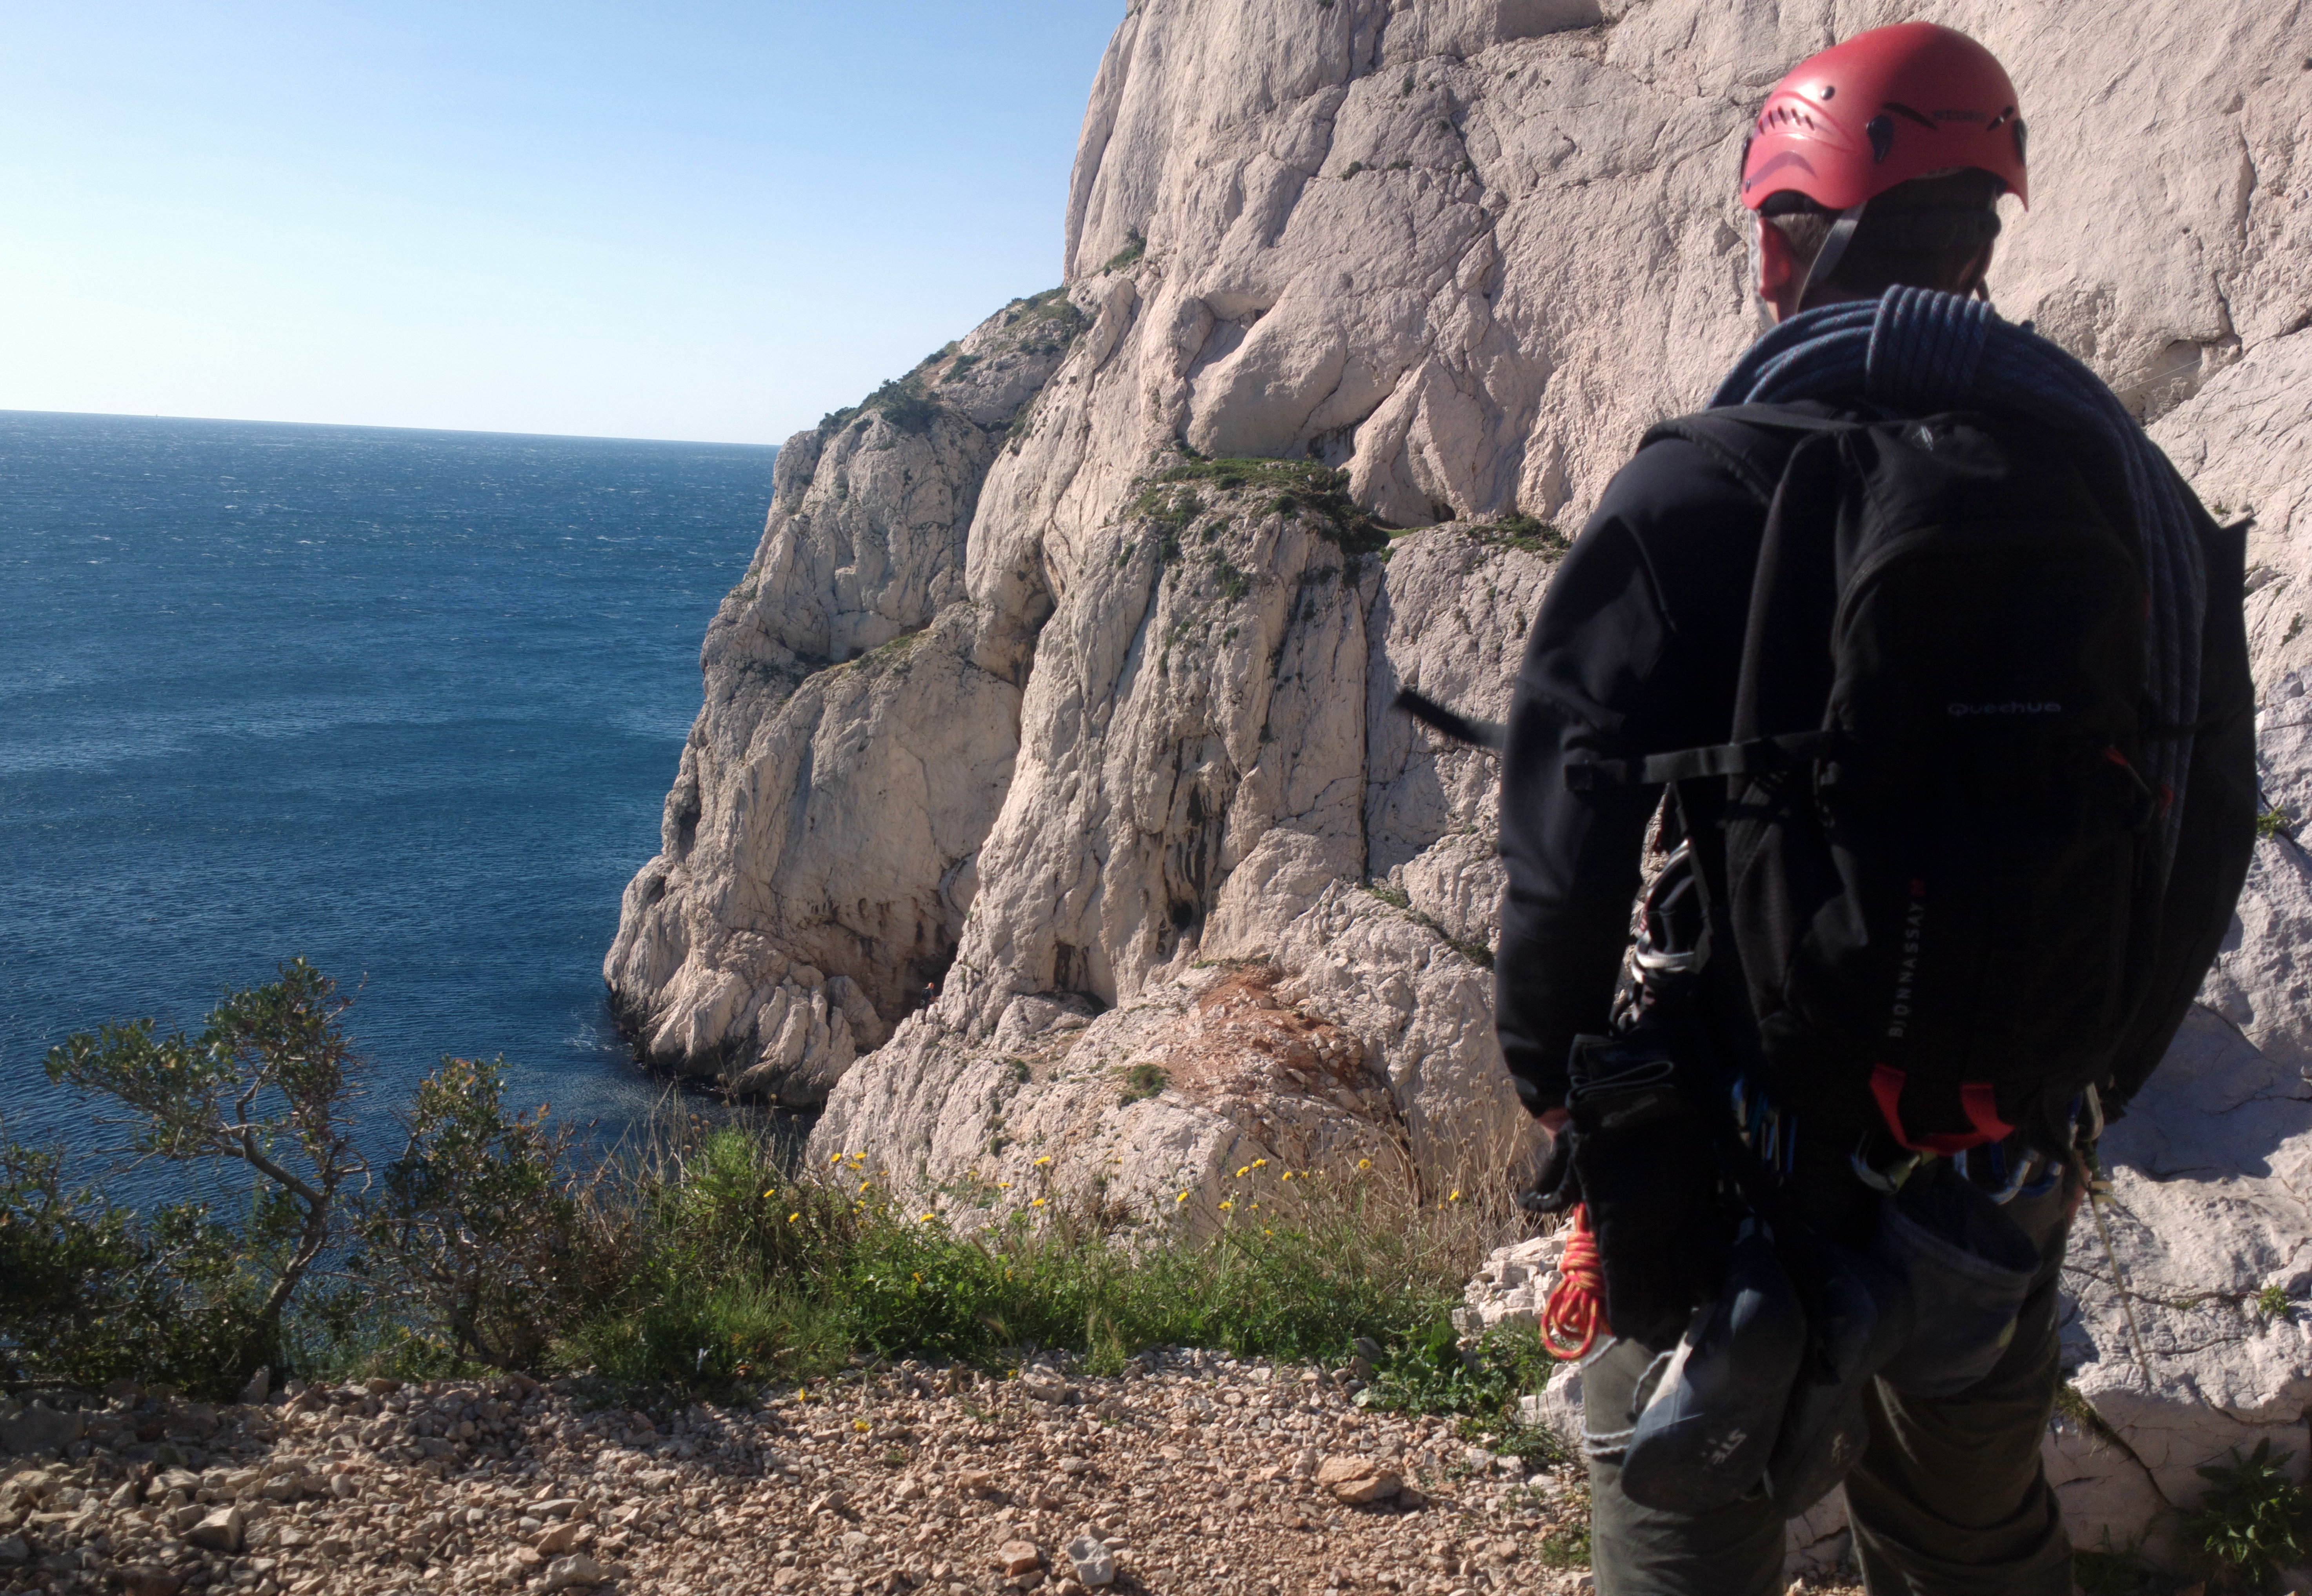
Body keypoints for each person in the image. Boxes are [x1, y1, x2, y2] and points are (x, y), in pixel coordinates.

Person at [1494, 22, 2256, 1596]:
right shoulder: (2134, 501)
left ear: (1790, 239)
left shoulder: (1696, 486)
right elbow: (2206, 817)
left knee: (1676, 1487)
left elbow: (1568, 822)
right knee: (1965, 1518)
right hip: (2002, 1136)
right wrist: (2082, 1076)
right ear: (1981, 238)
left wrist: (1559, 1080)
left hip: (1734, 1122)